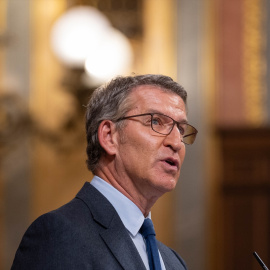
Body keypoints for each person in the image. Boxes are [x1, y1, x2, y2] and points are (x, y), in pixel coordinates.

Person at [11, 74, 198, 270]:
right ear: (109, 136)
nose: (176, 143)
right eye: (156, 122)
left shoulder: (173, 262)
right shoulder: (59, 234)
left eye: (181, 129)